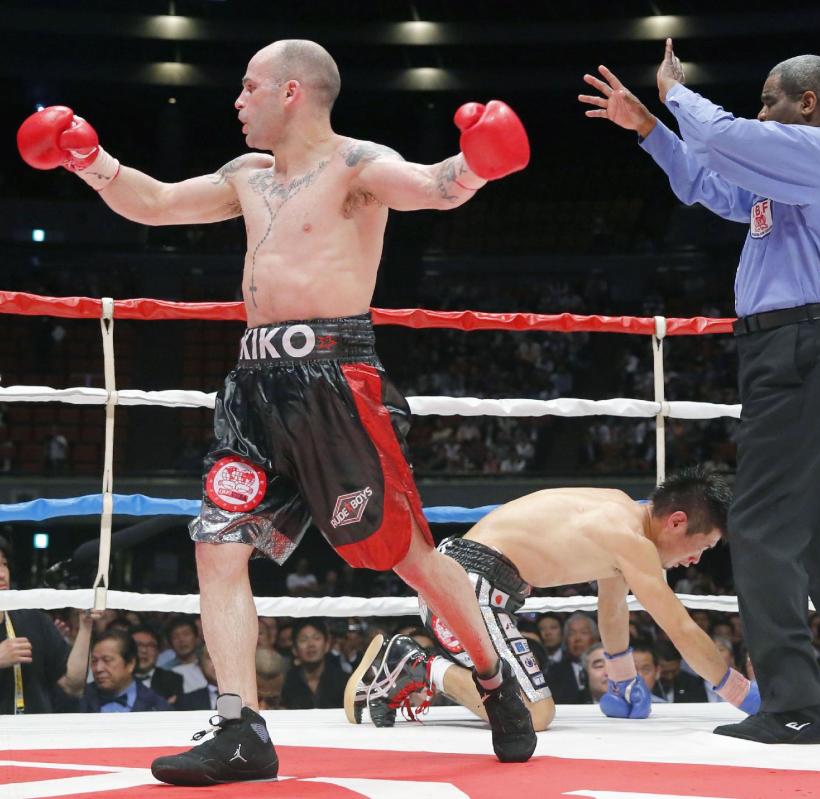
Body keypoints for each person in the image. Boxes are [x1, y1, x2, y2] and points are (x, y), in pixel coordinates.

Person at [17, 38, 533, 781]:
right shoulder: (248, 175)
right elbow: (157, 202)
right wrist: (86, 159)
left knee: (408, 556)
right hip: (254, 387)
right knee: (217, 545)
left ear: (292, 92)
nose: (236, 100)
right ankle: (240, 730)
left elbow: (432, 185)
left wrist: (480, 163)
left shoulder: (357, 165)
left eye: (248, 86)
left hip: (336, 382)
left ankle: (492, 676)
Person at [578, 40, 820, 743]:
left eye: (772, 99)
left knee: (761, 523)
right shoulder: (786, 181)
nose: (761, 109)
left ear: (807, 103)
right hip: (787, 350)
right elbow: (706, 185)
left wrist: (675, 93)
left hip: (806, 347)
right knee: (804, 517)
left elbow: (723, 134)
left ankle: (797, 703)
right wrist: (650, 129)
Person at [351, 468, 759, 732]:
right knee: (531, 714)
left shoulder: (622, 512)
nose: (694, 560)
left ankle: (417, 666)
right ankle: (417, 666)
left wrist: (622, 680)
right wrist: (743, 695)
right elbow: (680, 627)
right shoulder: (630, 540)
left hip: (471, 581)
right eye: (701, 546)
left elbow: (613, 605)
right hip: (466, 586)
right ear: (677, 522)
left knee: (529, 709)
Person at [0, 535, 95, 714]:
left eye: (4, 564)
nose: (2, 574)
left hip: (34, 738)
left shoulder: (34, 619)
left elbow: (73, 685)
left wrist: (86, 626)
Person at [81, 630, 170, 713]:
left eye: (107, 660)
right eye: (94, 661)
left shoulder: (157, 706)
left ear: (130, 664)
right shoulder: (80, 699)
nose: (98, 668)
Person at [130, 625, 183, 706]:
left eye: (150, 646)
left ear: (158, 652)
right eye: (138, 645)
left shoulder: (173, 680)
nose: (144, 651)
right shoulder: (116, 679)